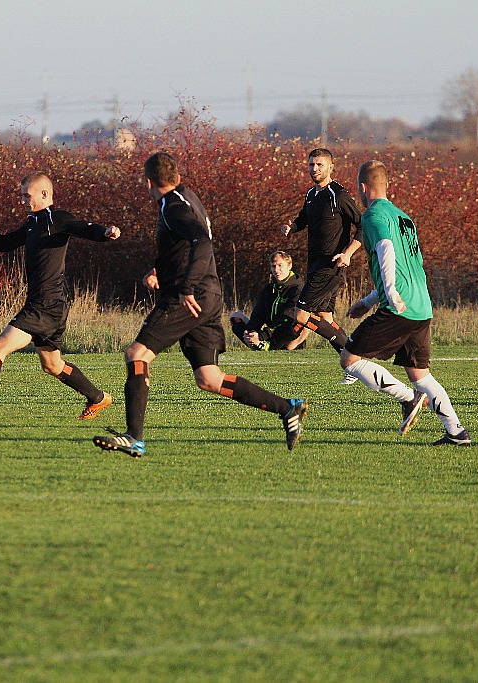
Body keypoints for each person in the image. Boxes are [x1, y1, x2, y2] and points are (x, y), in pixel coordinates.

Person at [92, 152, 307, 458]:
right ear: (177, 177)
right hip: (208, 294)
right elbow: (184, 245)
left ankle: (134, 437)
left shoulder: (172, 206)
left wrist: (186, 287)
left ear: (148, 182)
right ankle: (288, 408)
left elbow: (201, 243)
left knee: (136, 354)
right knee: (209, 378)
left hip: (191, 296)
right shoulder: (187, 196)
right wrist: (160, 270)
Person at [0, 172, 120, 423]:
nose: (23, 200)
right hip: (48, 305)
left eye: (26, 196)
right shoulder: (32, 223)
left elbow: (84, 228)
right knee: (52, 366)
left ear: (44, 194)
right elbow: (5, 243)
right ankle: (98, 398)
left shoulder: (57, 218)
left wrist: (106, 232)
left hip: (46, 305)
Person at [342, 160, 471, 446]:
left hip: (400, 307)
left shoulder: (372, 215)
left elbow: (386, 249)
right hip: (421, 305)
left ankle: (409, 399)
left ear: (363, 188)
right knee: (420, 373)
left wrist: (389, 293)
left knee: (349, 358)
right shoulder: (403, 218)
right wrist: (367, 301)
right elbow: (407, 267)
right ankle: (456, 431)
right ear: (386, 185)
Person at [281, 148, 363, 381]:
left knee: (301, 314)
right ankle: (353, 367)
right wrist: (292, 227)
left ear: (330, 167)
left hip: (331, 265)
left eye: (318, 165)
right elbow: (303, 219)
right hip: (315, 264)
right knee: (325, 317)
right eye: (310, 165)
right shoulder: (311, 194)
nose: (314, 169)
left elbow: (363, 226)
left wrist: (348, 253)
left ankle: (353, 356)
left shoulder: (339, 195)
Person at [229, 250, 305, 351]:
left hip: (286, 332)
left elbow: (288, 317)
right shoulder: (268, 289)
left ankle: (268, 346)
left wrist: (262, 335)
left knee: (296, 324)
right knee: (236, 317)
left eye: (280, 265)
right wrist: (251, 333)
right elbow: (258, 315)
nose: (276, 269)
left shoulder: (298, 289)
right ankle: (258, 344)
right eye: (273, 266)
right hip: (268, 333)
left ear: (289, 266)